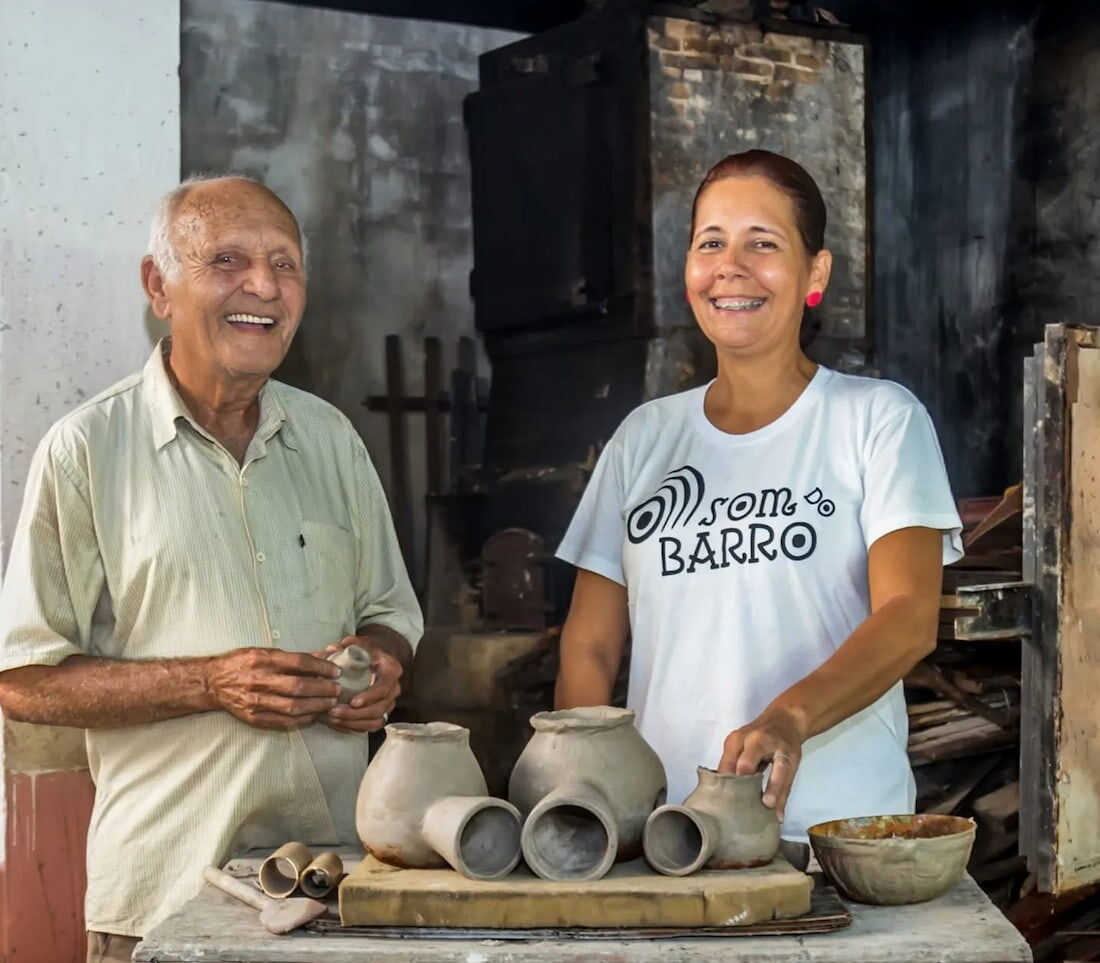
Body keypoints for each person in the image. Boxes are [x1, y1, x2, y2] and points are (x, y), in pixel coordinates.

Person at [0, 175, 422, 962]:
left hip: (335, 889)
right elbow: (22, 678)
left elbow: (392, 607)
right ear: (159, 285)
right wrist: (210, 681)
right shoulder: (88, 450)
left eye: (285, 264)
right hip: (163, 898)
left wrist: (381, 659)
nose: (263, 285)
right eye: (227, 259)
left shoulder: (331, 438)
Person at [554, 150, 962, 848]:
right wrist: (580, 797)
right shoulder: (643, 439)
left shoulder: (877, 420)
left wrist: (789, 717)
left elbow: (908, 615)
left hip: (837, 838)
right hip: (667, 837)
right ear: (688, 272)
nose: (730, 265)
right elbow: (590, 644)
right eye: (710, 242)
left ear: (816, 273)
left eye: (762, 243)